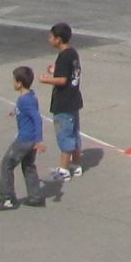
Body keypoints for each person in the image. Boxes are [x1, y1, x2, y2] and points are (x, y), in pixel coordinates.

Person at [0, 65, 44, 210]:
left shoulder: (24, 101)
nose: (13, 83)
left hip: (24, 140)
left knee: (6, 165)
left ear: (19, 83)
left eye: (14, 80)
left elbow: (37, 118)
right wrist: (15, 112)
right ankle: (35, 196)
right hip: (31, 140)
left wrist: (39, 140)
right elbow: (28, 112)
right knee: (28, 166)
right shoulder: (29, 96)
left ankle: (7, 198)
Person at [39, 24, 84, 187]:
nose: (49, 39)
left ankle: (64, 170)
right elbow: (68, 72)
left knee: (64, 135)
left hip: (63, 102)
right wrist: (55, 70)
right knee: (74, 133)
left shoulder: (64, 56)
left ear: (58, 39)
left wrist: (46, 79)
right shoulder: (72, 53)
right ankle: (76, 164)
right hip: (74, 99)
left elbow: (62, 80)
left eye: (51, 37)